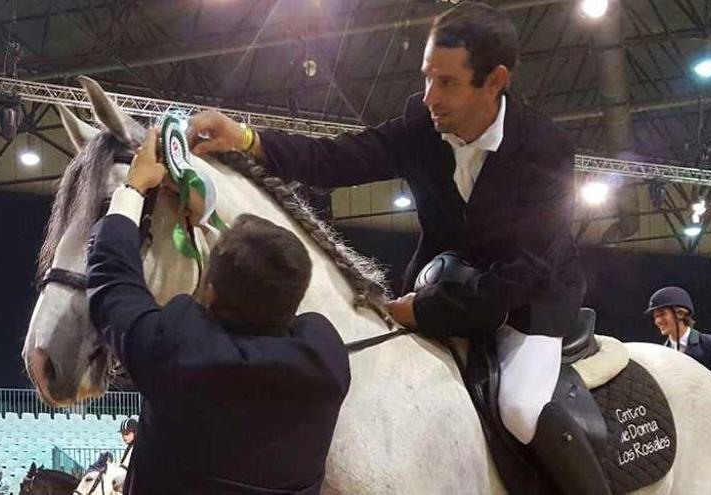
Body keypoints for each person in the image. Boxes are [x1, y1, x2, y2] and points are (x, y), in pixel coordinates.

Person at [188, 2, 599, 493]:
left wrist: (424, 316)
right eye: (427, 77)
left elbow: (523, 273)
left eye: (446, 82)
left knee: (522, 410)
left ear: (494, 82)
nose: (429, 97)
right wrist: (250, 140)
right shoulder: (420, 124)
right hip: (438, 286)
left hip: (525, 308)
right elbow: (335, 161)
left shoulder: (546, 149)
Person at [85, 129, 351, 494]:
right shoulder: (327, 363)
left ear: (208, 292)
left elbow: (112, 282)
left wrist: (133, 188)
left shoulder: (173, 353)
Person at [646, 286, 711, 396]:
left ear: (680, 313)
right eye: (655, 316)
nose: (657, 321)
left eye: (662, 314)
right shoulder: (663, 352)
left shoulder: (709, 343)